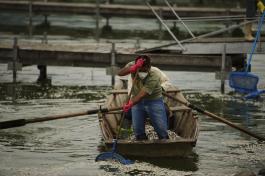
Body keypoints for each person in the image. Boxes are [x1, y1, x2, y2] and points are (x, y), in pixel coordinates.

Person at [117, 55, 169, 140]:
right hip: (137, 102)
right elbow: (120, 73)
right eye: (140, 70)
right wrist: (133, 68)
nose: (141, 73)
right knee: (137, 129)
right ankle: (141, 142)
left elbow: (142, 94)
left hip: (153, 101)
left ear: (148, 67)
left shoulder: (154, 75)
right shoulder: (133, 67)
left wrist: (130, 104)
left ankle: (164, 142)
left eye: (144, 70)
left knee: (161, 128)